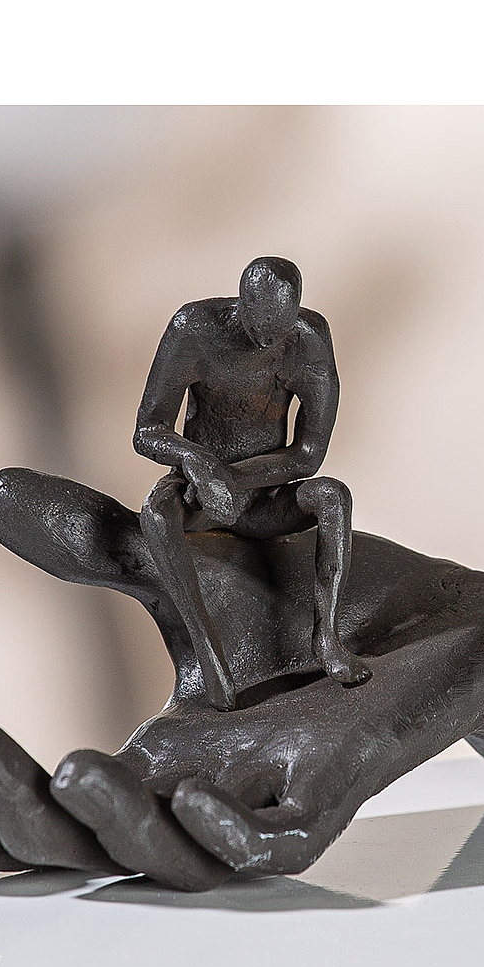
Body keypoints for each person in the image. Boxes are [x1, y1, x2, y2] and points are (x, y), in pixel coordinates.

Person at [133, 256, 371, 710]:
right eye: (259, 326)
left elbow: (308, 452)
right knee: (156, 516)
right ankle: (210, 657)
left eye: (279, 328)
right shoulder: (194, 330)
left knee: (333, 497)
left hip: (264, 498)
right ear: (240, 304)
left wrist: (235, 480)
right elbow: (147, 430)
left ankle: (327, 640)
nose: (267, 340)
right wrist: (199, 465)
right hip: (198, 494)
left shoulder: (308, 341)